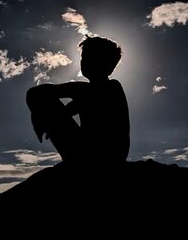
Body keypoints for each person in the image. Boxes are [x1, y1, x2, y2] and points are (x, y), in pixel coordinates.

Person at [26, 36, 130, 164]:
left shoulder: (108, 88)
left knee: (41, 98)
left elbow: (35, 93)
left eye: (91, 58)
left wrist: (37, 118)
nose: (84, 62)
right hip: (96, 153)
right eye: (83, 57)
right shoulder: (90, 92)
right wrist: (40, 116)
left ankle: (77, 164)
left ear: (108, 66)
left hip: (99, 156)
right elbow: (67, 109)